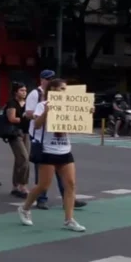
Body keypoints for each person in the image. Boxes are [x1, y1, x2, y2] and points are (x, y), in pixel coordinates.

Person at [18, 79, 85, 232]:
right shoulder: (42, 105)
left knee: (71, 184)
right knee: (43, 185)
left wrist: (85, 112)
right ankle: (25, 208)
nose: (64, 91)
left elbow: (77, 123)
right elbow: (37, 124)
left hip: (65, 149)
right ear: (53, 89)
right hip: (47, 150)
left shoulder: (69, 105)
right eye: (62, 89)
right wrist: (48, 111)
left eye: (65, 89)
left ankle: (69, 220)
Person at [4, 83, 30, 198]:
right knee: (24, 158)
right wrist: (25, 117)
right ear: (15, 92)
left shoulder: (28, 103)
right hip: (15, 134)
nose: (24, 92)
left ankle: (15, 186)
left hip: (26, 133)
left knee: (21, 159)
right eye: (21, 90)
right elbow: (12, 118)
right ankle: (22, 185)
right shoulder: (12, 103)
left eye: (25, 90)